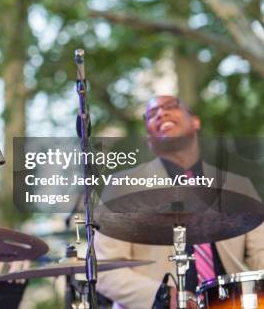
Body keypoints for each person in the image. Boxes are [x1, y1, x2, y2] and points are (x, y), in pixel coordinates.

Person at [94, 95, 264, 309]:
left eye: (170, 106)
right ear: (149, 139)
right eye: (151, 114)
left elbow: (260, 254)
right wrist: (163, 296)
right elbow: (106, 269)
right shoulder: (122, 187)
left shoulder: (238, 186)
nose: (161, 113)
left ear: (195, 121)